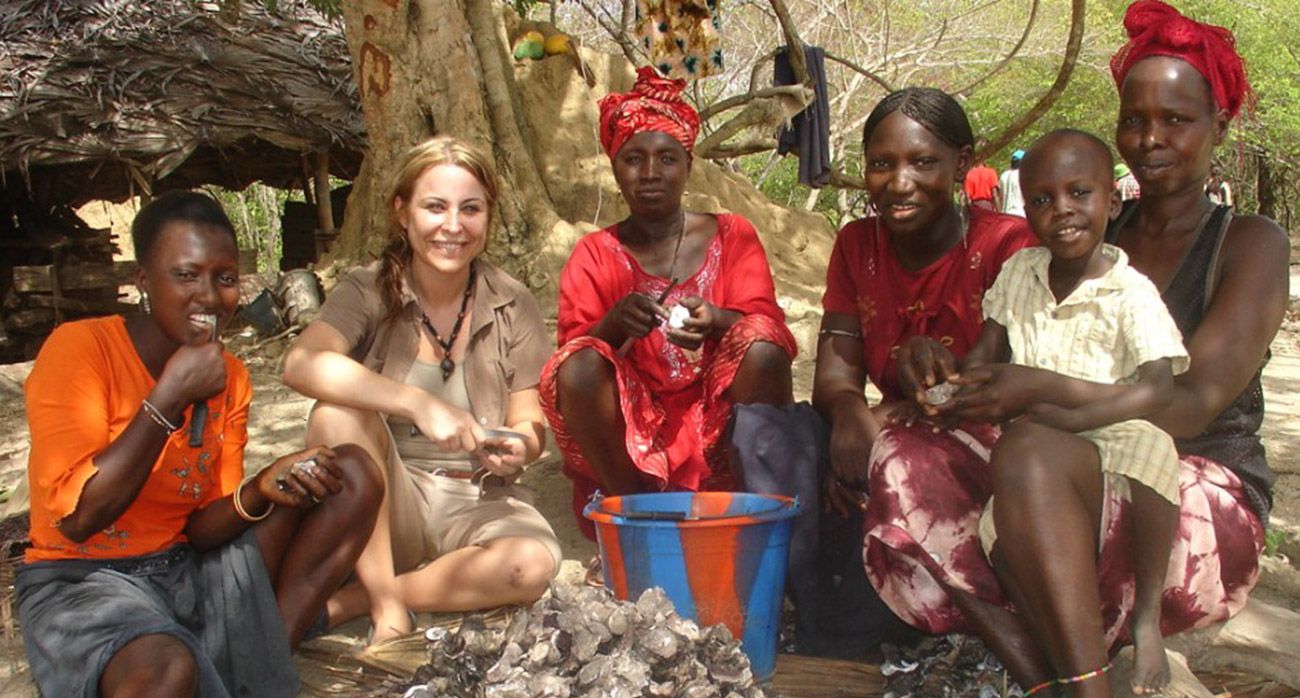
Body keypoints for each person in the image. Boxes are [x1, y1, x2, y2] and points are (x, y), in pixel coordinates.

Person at [879, 3, 1288, 698]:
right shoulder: (1082, 228)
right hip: (1062, 468)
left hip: (1188, 489)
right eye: (1135, 120)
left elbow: (1192, 404)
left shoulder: (1248, 243)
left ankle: (1081, 679)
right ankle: (1046, 677)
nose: (1151, 139)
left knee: (1031, 455)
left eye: (1176, 120)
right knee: (905, 452)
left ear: (1219, 128)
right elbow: (1000, 353)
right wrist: (942, 374)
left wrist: (1038, 390)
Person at [18, 191, 383, 698]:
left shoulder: (229, 377)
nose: (209, 297)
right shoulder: (80, 350)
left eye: (226, 278)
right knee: (165, 670)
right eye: (186, 276)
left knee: (351, 472)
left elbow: (203, 530)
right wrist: (167, 399)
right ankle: (222, 691)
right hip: (82, 579)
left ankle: (255, 674)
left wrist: (261, 489)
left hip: (181, 569)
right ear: (144, 281)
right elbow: (79, 520)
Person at [939, 130, 1190, 698]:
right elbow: (983, 360)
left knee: (1156, 454)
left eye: (1080, 193)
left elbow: (1156, 390)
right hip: (1037, 443)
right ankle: (1066, 668)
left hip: (1116, 426)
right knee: (995, 533)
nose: (1063, 212)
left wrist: (1072, 419)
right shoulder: (1020, 273)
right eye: (1043, 200)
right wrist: (947, 379)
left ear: (1113, 201)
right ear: (1023, 208)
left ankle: (1146, 619)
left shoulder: (1130, 291)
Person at [282, 136, 561, 645]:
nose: (452, 226)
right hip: (387, 504)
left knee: (532, 565)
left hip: (478, 495)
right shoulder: (367, 289)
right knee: (335, 414)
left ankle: (360, 598)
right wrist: (417, 402)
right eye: (435, 206)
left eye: (470, 209)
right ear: (402, 212)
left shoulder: (512, 303)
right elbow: (301, 364)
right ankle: (389, 609)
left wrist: (518, 446)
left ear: (487, 217)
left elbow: (531, 421)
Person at [539, 67, 797, 543]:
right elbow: (573, 368)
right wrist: (614, 325)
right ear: (615, 169)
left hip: (719, 423)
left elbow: (768, 325)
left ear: (688, 165)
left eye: (667, 158)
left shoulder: (732, 234)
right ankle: (635, 518)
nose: (651, 173)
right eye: (633, 159)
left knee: (762, 343)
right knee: (576, 365)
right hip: (637, 441)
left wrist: (716, 320)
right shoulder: (593, 254)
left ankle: (758, 508)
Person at [813, 86, 1034, 523]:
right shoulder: (858, 244)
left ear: (963, 162)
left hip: (988, 433)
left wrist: (881, 421)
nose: (898, 183)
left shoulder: (1008, 245)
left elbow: (1004, 383)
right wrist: (849, 418)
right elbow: (835, 373)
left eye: (923, 162)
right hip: (884, 423)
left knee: (897, 460)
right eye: (881, 164)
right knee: (785, 439)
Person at [999, 149, 1025, 216]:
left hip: (1005, 213)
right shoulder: (1022, 175)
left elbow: (1001, 197)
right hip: (1020, 213)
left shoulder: (1003, 175)